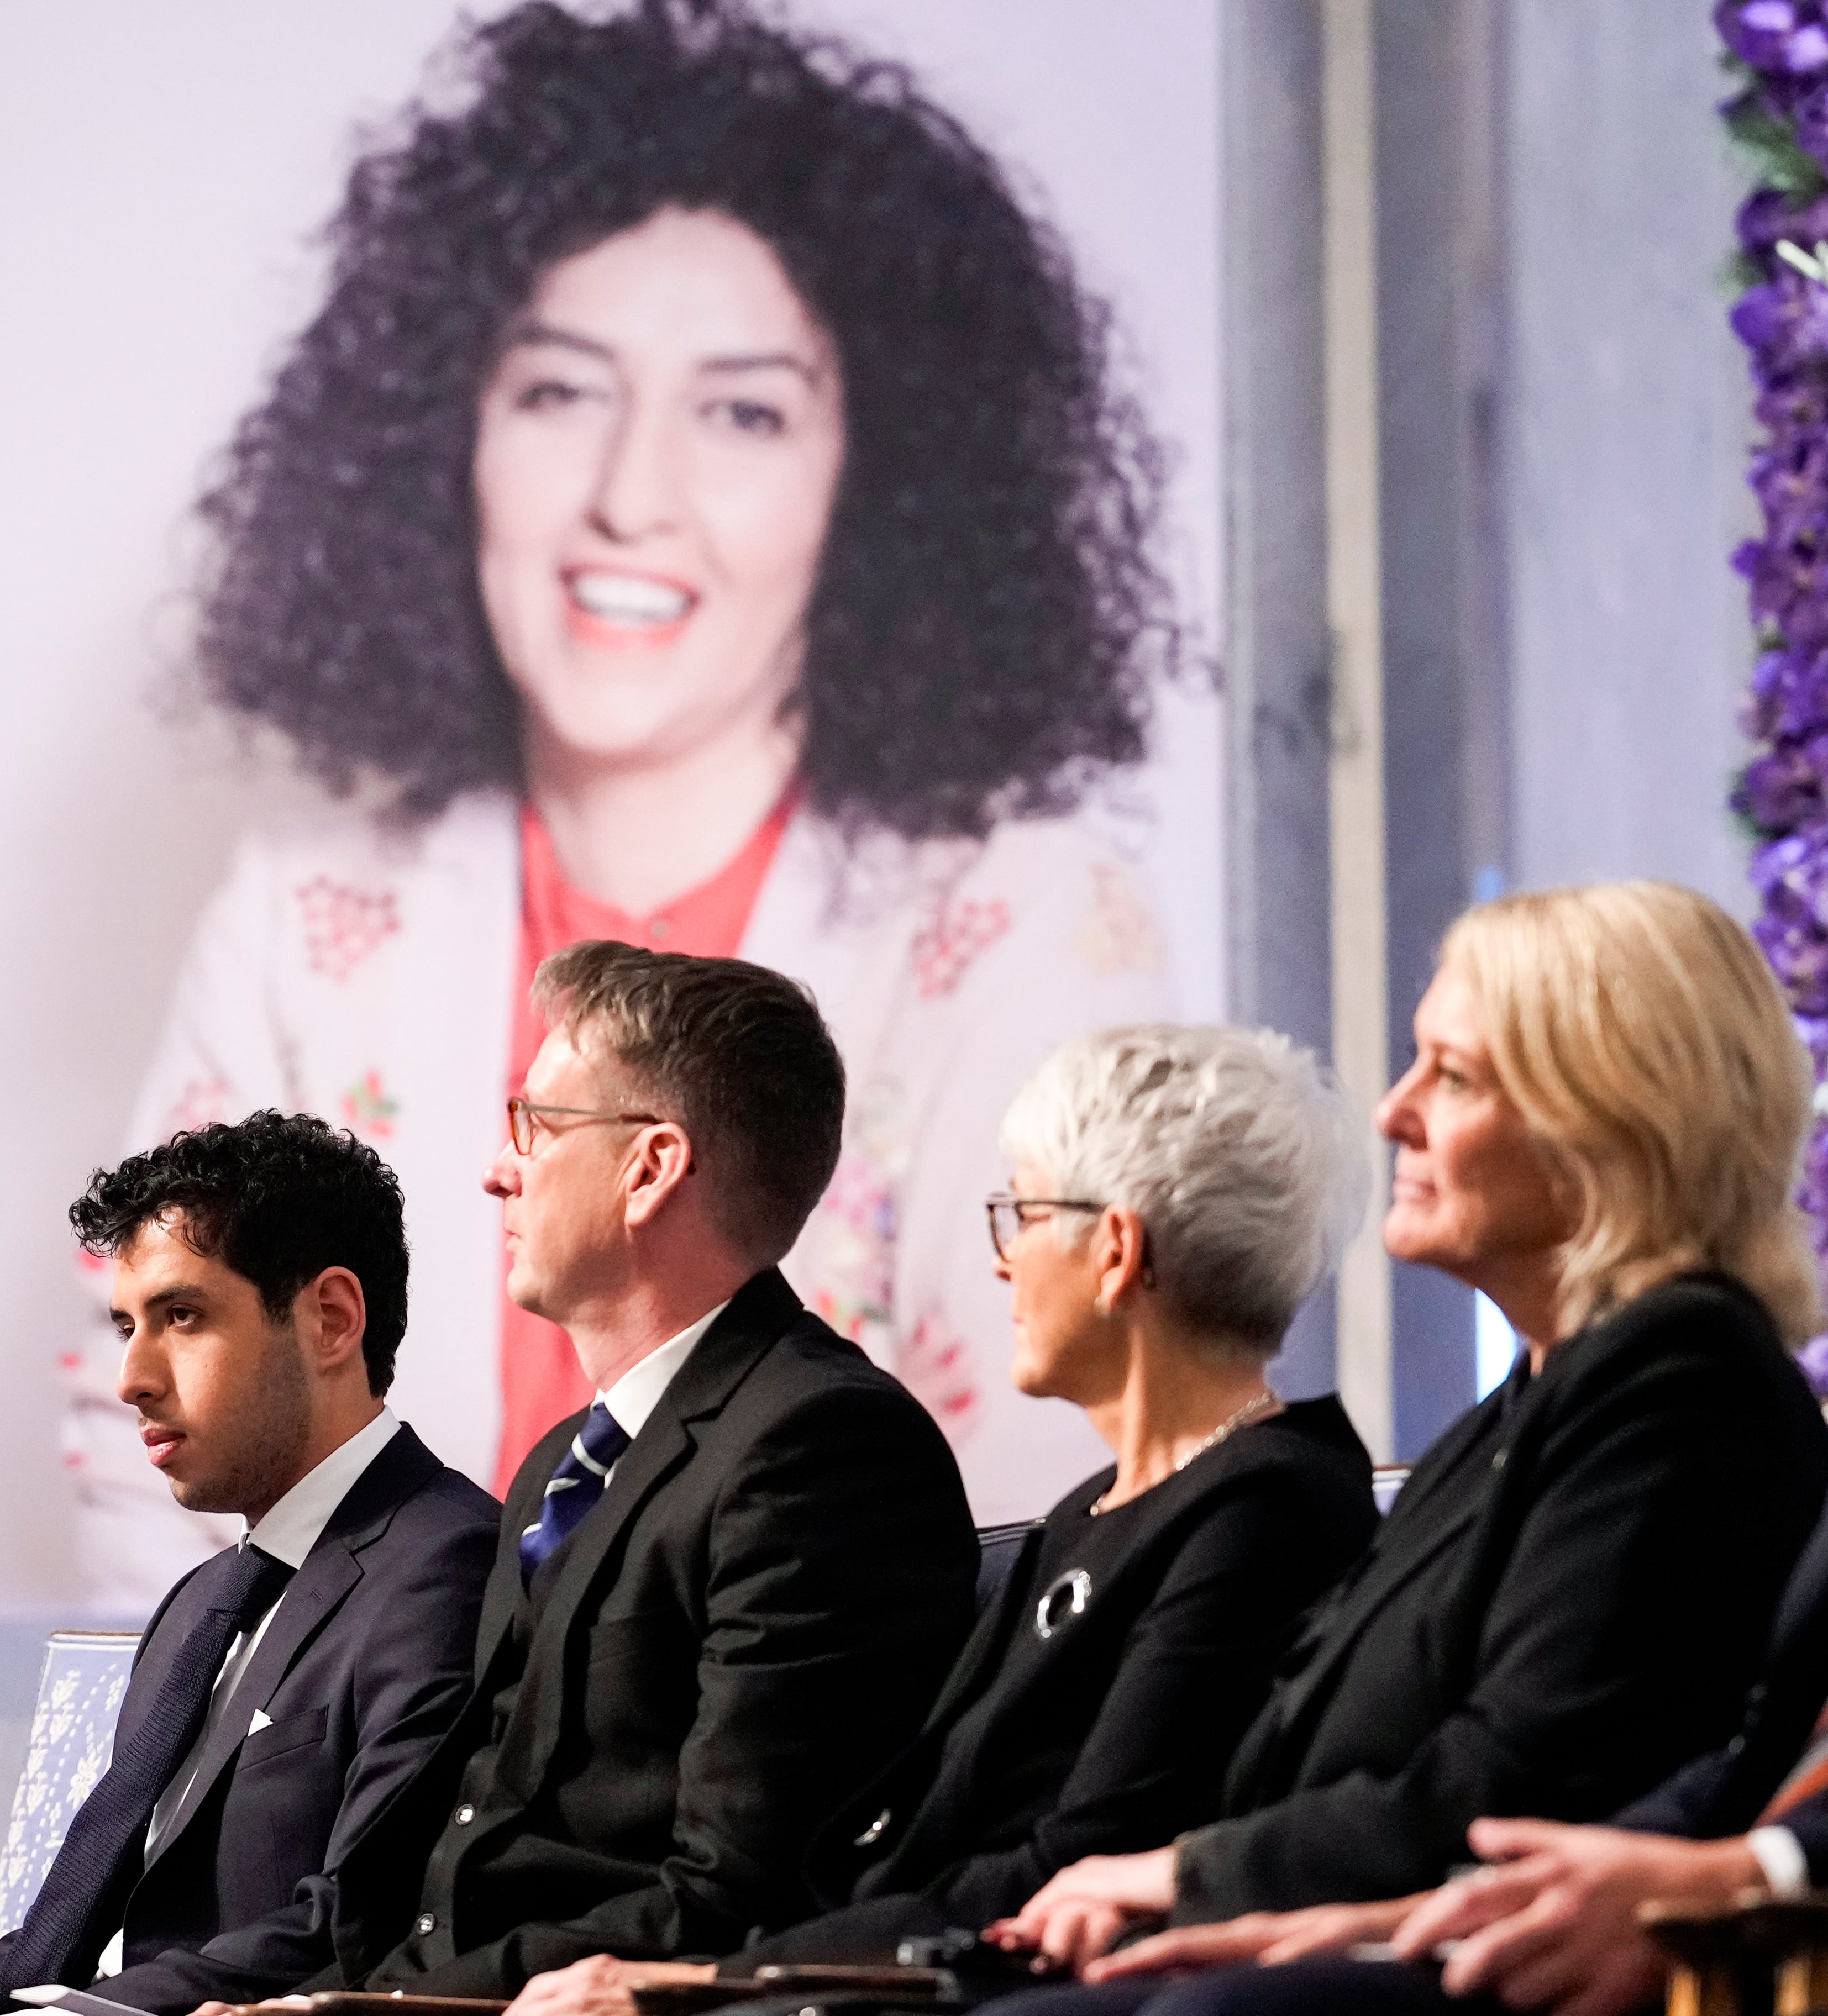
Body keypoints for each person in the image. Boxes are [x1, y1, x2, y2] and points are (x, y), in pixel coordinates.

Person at [72, 0, 1191, 1601]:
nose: (629, 496)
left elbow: (1030, 1490)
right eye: (559, 393)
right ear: (442, 439)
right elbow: (144, 1443)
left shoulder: (1033, 920)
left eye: (741, 411)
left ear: (868, 480)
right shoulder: (295, 918)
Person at [1088, 626, 1828, 2016]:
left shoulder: (1684, 1374)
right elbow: (1782, 1738)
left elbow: (1549, 1770)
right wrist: (1424, 1910)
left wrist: (1741, 1877)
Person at [963, 881, 1828, 2016]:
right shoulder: (1514, 1409)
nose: (1391, 1112)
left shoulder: (1680, 1379)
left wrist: (1188, 1878)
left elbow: (1515, 1781)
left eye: (1454, 1076)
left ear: (1611, 1123)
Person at [492, 1025, 1384, 2016]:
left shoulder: (1263, 1507)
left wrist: (703, 1983)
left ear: (1115, 1250)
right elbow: (901, 1841)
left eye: (1025, 1215)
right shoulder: (1087, 1514)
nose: (1003, 1266)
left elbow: (1078, 1863)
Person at [303, 943, 978, 2001]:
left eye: (536, 1124)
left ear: (652, 1167)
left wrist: (391, 2013)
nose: (498, 1168)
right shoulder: (556, 1466)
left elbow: (737, 1890)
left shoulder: (823, 1445)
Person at [0, 1116, 497, 2016]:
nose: (131, 1377)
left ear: (331, 1320)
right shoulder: (201, 1603)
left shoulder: (448, 1563)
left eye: (182, 1316)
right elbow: (59, 1933)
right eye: (124, 1326)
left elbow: (355, 1923)